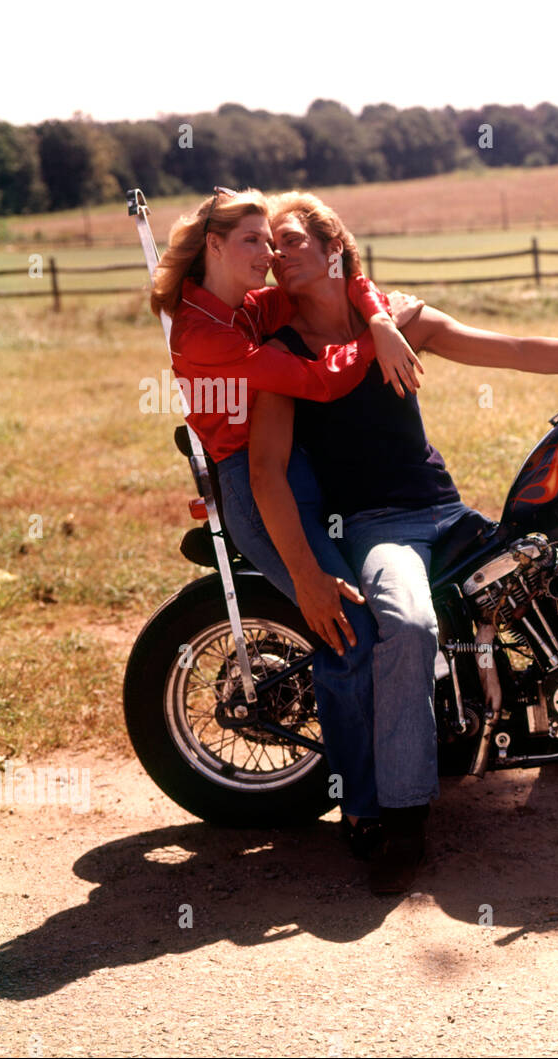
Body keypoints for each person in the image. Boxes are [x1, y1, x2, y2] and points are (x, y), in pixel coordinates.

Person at [248, 190, 558, 895]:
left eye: (291, 238)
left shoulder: (397, 318)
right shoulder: (282, 353)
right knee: (409, 624)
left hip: (446, 510)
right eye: (268, 244)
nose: (276, 252)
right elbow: (265, 466)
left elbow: (513, 349)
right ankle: (403, 816)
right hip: (374, 526)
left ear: (335, 248)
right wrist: (303, 567)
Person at [149, 187, 422, 847]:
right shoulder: (203, 332)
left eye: (272, 241)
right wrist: (376, 342)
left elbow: (343, 279)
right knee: (344, 623)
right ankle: (364, 805)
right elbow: (319, 380)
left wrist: (380, 318)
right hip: (255, 484)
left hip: (303, 467)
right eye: (252, 240)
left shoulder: (244, 304)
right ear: (212, 244)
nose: (269, 254)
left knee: (380, 609)